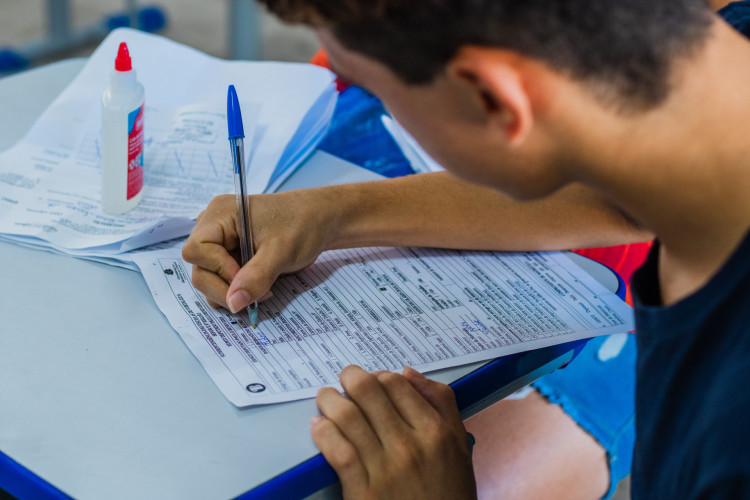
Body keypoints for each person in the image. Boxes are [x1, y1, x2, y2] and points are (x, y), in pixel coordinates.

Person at [183, 1, 750, 498]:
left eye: (371, 87)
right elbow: (624, 195)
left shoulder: (726, 441)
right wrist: (333, 213)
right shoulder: (716, 66)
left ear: (493, 99)